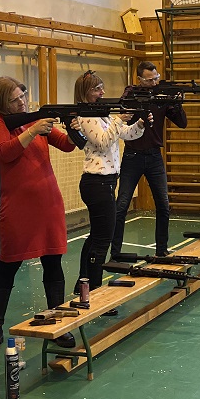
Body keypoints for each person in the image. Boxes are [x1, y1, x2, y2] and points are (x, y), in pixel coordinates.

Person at [0, 77, 82, 354]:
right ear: (2, 102)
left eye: (23, 96)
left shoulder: (33, 120)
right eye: (15, 99)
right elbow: (4, 153)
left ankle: (56, 323)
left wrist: (74, 130)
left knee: (53, 263)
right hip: (18, 206)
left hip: (48, 202)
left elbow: (66, 145)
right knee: (8, 265)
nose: (22, 103)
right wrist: (33, 130)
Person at [72, 70, 146, 295]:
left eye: (102, 88)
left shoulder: (101, 115)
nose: (102, 92)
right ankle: (94, 289)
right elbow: (103, 142)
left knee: (97, 236)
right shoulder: (87, 117)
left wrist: (140, 124)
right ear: (85, 92)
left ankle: (84, 282)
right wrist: (117, 119)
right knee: (103, 239)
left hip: (105, 182)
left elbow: (127, 134)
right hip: (97, 182)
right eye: (97, 89)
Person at [110, 61, 187, 260]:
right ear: (140, 80)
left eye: (156, 79)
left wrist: (176, 103)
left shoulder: (162, 96)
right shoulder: (131, 93)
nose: (154, 83)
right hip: (132, 156)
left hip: (154, 156)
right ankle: (115, 253)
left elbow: (182, 123)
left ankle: (162, 250)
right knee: (122, 205)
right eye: (149, 80)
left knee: (163, 204)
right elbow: (125, 105)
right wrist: (149, 98)